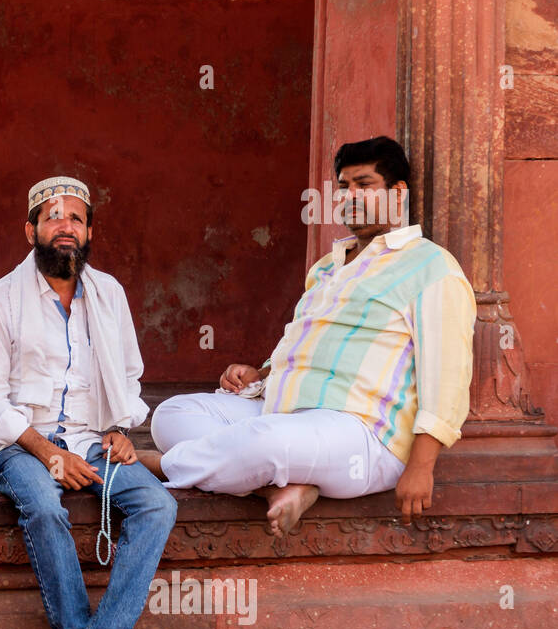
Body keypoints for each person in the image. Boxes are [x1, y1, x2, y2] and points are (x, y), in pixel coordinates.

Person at [142, 136, 475, 537]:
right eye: (343, 188)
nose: (350, 197)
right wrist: (260, 373)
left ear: (397, 192)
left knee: (261, 442)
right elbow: (306, 343)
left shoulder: (432, 266)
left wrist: (421, 468)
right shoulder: (326, 268)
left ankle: (163, 465)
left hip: (362, 433)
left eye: (364, 185)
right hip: (283, 411)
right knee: (171, 415)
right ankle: (278, 488)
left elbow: (448, 377)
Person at [0, 175, 175, 629]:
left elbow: (128, 375)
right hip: (23, 444)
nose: (66, 226)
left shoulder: (109, 294)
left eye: (76, 219)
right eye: (54, 216)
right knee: (42, 504)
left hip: (91, 442)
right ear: (31, 230)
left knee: (158, 506)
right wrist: (45, 453)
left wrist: (118, 429)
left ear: (88, 233)